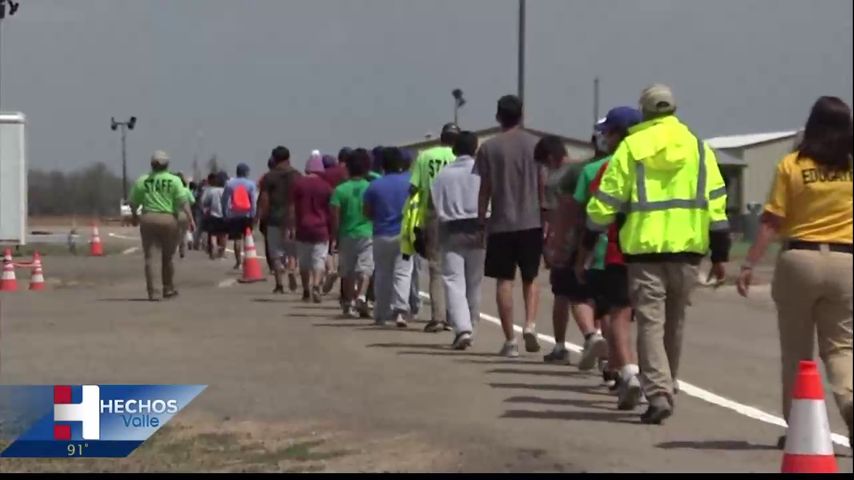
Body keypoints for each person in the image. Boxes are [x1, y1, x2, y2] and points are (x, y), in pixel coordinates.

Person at [586, 84, 730, 424]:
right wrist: (720, 253)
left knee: (651, 322)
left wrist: (592, 228)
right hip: (688, 251)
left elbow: (608, 200)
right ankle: (670, 382)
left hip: (645, 251)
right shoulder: (697, 147)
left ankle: (660, 392)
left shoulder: (632, 147)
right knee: (675, 322)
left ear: (646, 112)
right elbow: (717, 200)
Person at [737, 96, 853, 448]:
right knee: (842, 347)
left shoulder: (792, 165)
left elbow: (773, 220)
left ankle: (799, 428)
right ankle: (850, 399)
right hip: (846, 260)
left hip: (799, 259)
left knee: (797, 352)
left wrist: (748, 263)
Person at [576, 106, 645, 410]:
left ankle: (627, 373)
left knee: (617, 315)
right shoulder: (653, 161)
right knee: (646, 319)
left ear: (620, 133)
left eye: (609, 131)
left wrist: (583, 254)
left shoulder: (609, 167)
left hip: (619, 249)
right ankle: (652, 376)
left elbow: (596, 214)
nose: (604, 137)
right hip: (658, 250)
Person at [473, 95, 544, 358]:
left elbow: (485, 189)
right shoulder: (536, 145)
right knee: (531, 277)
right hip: (532, 220)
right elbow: (542, 185)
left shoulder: (488, 148)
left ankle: (510, 340)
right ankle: (531, 324)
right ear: (521, 115)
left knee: (504, 281)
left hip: (502, 222)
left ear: (498, 116)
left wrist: (481, 219)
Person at [536, 135, 606, 369]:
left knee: (565, 295)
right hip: (600, 239)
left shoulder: (561, 177)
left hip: (569, 240)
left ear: (548, 158)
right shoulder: (595, 168)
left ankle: (563, 345)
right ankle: (604, 348)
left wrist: (552, 244)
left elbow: (557, 214)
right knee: (598, 296)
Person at [431, 132, 486, 349]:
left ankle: (462, 328)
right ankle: (471, 324)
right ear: (475, 149)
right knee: (474, 282)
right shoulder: (482, 172)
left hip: (451, 229)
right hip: (478, 228)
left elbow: (435, 206)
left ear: (454, 150)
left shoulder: (443, 175)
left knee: (454, 281)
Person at [410, 123, 460, 332]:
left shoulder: (425, 156)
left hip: (433, 213)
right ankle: (455, 317)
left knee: (436, 268)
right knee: (456, 269)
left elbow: (413, 187)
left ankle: (438, 317)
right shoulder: (461, 159)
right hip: (458, 215)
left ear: (441, 137)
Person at [128, 150, 195, 301]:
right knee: (168, 257)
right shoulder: (174, 180)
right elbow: (184, 202)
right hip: (168, 219)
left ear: (152, 164)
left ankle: (153, 292)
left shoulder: (143, 180)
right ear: (167, 164)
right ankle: (168, 287)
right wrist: (191, 219)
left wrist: (134, 216)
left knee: (151, 257)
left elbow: (132, 202)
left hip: (148, 218)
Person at [364, 147, 414, 328]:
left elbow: (367, 212)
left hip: (381, 234)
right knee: (403, 273)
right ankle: (400, 311)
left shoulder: (375, 185)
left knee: (382, 274)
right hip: (405, 234)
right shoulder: (409, 182)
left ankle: (380, 314)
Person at [331, 148, 375, 318]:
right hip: (367, 232)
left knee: (347, 272)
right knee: (366, 268)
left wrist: (335, 236)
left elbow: (335, 216)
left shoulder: (340, 190)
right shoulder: (370, 187)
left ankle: (348, 304)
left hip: (346, 233)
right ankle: (362, 296)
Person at [257, 147, 301, 294]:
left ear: (274, 159)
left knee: (275, 252)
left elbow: (264, 198)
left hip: (274, 218)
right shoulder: (297, 175)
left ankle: (279, 283)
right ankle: (292, 270)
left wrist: (262, 215)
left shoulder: (269, 177)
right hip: (293, 219)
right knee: (292, 251)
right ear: (289, 158)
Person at [292, 153, 334, 302]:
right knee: (319, 260)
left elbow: (293, 207)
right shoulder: (326, 186)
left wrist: (290, 226)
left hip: (302, 227)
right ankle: (316, 284)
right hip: (321, 228)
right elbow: (331, 210)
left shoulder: (298, 184)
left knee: (304, 262)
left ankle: (305, 289)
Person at [222, 163, 259, 270]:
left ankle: (238, 262)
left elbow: (225, 200)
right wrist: (254, 214)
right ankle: (247, 260)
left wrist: (225, 213)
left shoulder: (230, 184)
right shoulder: (251, 184)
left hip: (234, 215)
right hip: (247, 215)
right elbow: (253, 201)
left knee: (237, 239)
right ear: (246, 172)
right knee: (248, 238)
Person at [201, 172, 227, 259]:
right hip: (224, 215)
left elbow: (204, 202)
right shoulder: (226, 191)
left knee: (213, 235)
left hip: (213, 215)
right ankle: (221, 253)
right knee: (223, 235)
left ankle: (213, 251)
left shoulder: (212, 191)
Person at [174, 172, 195, 259]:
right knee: (184, 233)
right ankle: (182, 249)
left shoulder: (172, 190)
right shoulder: (186, 190)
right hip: (184, 214)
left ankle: (173, 248)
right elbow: (192, 201)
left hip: (173, 214)